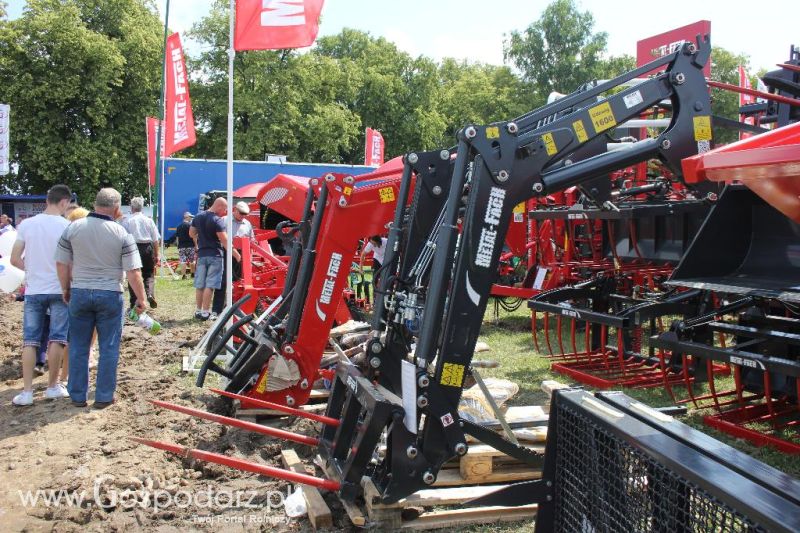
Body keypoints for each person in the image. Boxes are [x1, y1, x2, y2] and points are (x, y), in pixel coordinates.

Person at [55, 188, 148, 409]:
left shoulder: (73, 228)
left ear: (95, 204)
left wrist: (66, 288)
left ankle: (77, 395)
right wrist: (141, 299)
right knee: (109, 346)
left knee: (78, 345)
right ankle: (104, 396)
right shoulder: (121, 233)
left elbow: (61, 263)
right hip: (110, 293)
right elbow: (134, 272)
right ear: (117, 209)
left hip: (80, 291)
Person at [10, 184, 72, 406]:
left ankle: (26, 391)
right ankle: (52, 386)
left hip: (34, 289)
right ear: (64, 202)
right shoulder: (66, 226)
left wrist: (31, 270)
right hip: (58, 288)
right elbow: (69, 262)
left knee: (30, 340)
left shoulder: (27, 224)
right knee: (57, 338)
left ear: (48, 200)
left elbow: (14, 258)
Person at [190, 197, 237, 321]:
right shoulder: (217, 220)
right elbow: (225, 241)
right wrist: (236, 254)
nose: (225, 212)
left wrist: (202, 234)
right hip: (215, 255)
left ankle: (198, 311)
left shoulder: (198, 217)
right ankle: (206, 312)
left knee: (200, 285)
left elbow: (191, 233)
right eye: (225, 209)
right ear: (219, 206)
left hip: (202, 255)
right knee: (210, 285)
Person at [212, 201, 253, 315]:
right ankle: (216, 310)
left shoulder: (247, 224)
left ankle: (235, 307)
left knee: (239, 281)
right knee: (223, 280)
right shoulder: (225, 220)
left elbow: (251, 241)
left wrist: (249, 256)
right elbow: (219, 238)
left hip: (242, 253)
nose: (243, 216)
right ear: (235, 210)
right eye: (241, 213)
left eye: (245, 214)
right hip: (225, 251)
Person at [121, 197, 160, 309]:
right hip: (147, 247)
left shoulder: (127, 220)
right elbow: (155, 239)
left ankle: (134, 303)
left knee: (133, 274)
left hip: (132, 247)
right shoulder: (149, 220)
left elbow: (124, 238)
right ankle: (150, 294)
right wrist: (157, 254)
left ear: (131, 207)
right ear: (142, 207)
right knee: (149, 274)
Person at [167, 212, 196, 279]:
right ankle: (193, 274)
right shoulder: (191, 226)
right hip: (190, 245)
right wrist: (196, 245)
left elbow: (176, 237)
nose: (191, 218)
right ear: (186, 217)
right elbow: (194, 236)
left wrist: (174, 244)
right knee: (192, 261)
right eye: (190, 217)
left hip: (181, 246)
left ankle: (184, 275)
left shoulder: (179, 227)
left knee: (183, 261)